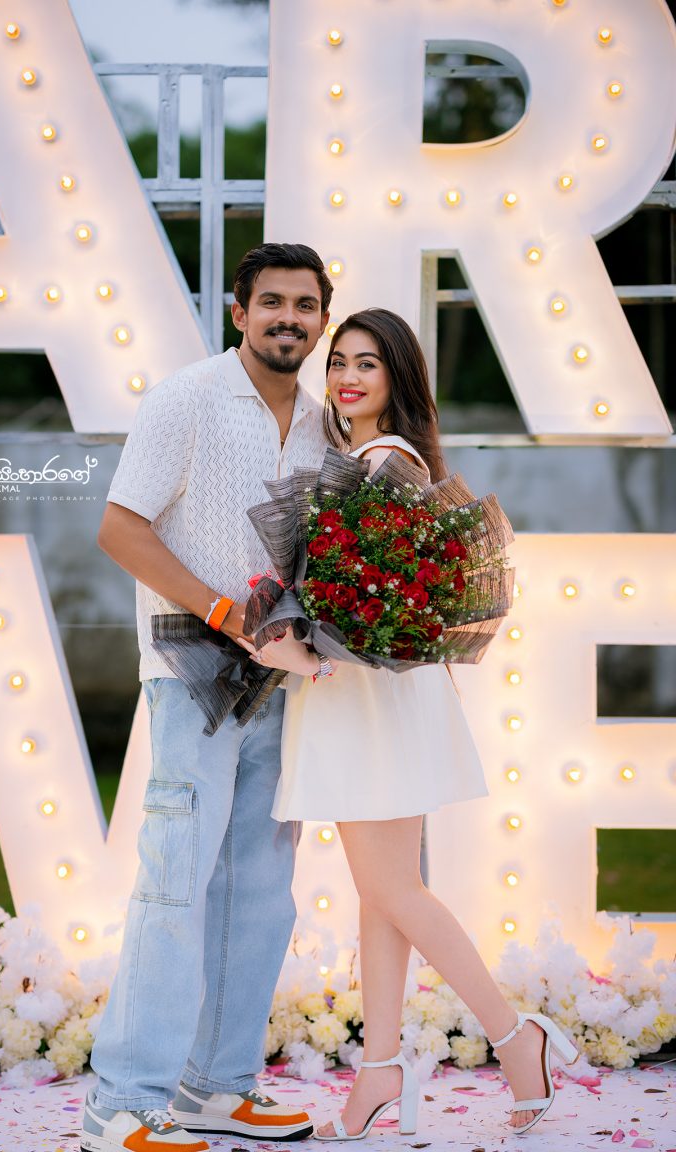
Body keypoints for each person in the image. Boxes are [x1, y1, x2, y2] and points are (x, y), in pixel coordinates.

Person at [244, 309, 578, 1141]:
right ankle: (380, 1069)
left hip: (372, 701)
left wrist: (291, 626)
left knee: (394, 890)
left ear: (397, 376)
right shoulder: (364, 458)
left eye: (367, 363)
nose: (347, 377)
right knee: (381, 894)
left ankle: (516, 1037)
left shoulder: (385, 459)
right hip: (364, 695)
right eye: (339, 363)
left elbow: (370, 595)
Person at [80, 243, 335, 1152]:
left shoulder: (323, 423)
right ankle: (120, 1102)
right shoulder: (185, 398)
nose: (288, 319)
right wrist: (223, 612)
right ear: (238, 312)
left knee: (260, 889)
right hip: (192, 674)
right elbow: (120, 528)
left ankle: (216, 1088)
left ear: (322, 319)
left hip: (282, 680)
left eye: (305, 306)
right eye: (272, 303)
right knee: (176, 883)